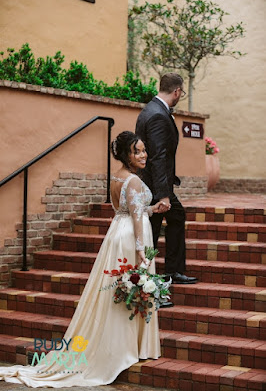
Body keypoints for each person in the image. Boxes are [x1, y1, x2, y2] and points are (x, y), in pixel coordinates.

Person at [0, 131, 161, 388]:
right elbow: (135, 217)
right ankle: (127, 346)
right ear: (126, 155)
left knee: (117, 288)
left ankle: (132, 342)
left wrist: (153, 209)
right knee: (131, 285)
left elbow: (125, 210)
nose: (143, 155)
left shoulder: (116, 179)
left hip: (117, 234)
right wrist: (141, 251)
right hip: (132, 238)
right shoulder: (132, 182)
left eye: (143, 150)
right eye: (137, 151)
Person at [136, 72, 198, 288]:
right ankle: (150, 279)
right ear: (177, 91)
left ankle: (168, 272)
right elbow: (159, 156)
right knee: (154, 228)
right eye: (181, 92)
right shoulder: (158, 115)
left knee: (174, 218)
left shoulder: (151, 109)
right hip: (155, 186)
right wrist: (163, 194)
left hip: (153, 183)